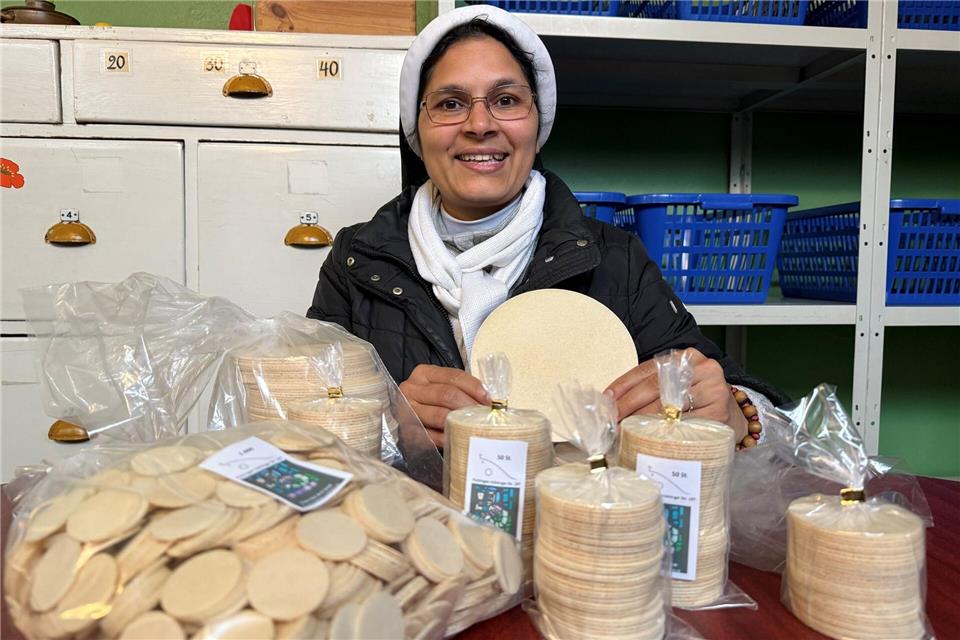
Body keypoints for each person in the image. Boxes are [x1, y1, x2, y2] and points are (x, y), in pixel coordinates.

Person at [308, 5, 786, 449]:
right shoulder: (358, 259)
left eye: (506, 100)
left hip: (574, 509)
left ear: (538, 125)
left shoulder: (615, 259)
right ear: (416, 130)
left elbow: (754, 407)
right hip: (413, 513)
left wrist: (735, 412)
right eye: (450, 104)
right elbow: (300, 419)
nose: (480, 124)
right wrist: (389, 426)